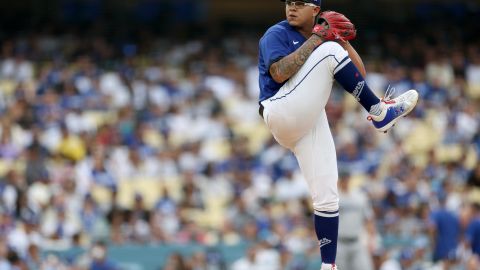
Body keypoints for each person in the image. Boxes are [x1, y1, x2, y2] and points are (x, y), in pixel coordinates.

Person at [257, 1, 418, 269]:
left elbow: (359, 77)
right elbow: (279, 71)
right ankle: (380, 113)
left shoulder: (325, 40)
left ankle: (328, 265)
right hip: (281, 108)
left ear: (315, 10)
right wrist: (321, 39)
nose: (291, 8)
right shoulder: (277, 33)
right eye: (289, 2)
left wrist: (341, 41)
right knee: (329, 51)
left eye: (299, 3)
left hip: (306, 119)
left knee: (328, 196)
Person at [336, 172, 374, 270]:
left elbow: (368, 219)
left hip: (357, 241)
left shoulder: (359, 196)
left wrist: (371, 239)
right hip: (339, 242)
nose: (345, 180)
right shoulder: (334, 197)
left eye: (346, 178)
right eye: (342, 178)